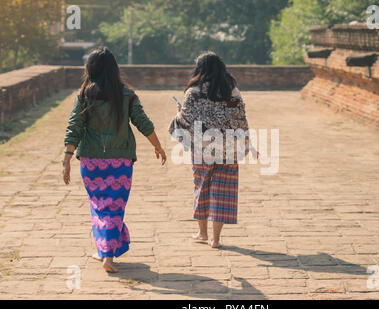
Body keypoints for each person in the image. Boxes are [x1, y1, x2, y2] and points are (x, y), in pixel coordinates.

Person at [63, 47, 166, 273]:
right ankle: (107, 255)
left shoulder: (84, 95)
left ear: (90, 69)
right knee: (115, 208)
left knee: (99, 206)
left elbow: (74, 127)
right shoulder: (126, 94)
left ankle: (105, 251)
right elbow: (142, 121)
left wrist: (67, 157)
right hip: (120, 163)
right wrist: (157, 145)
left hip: (91, 162)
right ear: (114, 69)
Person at [169, 52, 256, 249]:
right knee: (223, 191)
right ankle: (215, 239)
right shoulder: (232, 90)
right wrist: (247, 142)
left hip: (202, 148)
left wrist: (178, 111)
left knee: (202, 186)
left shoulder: (194, 91)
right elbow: (241, 119)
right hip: (229, 148)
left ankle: (202, 233)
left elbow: (185, 120)